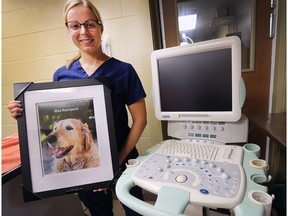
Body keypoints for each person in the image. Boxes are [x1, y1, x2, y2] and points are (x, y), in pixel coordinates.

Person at [7, 0, 147, 215]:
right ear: (68, 30)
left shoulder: (124, 71)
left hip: (124, 159)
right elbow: (53, 117)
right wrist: (22, 112)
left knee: (135, 211)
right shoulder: (62, 74)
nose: (84, 31)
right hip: (87, 168)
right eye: (75, 25)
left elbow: (140, 120)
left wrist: (115, 164)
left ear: (100, 27)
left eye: (90, 24)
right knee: (100, 212)